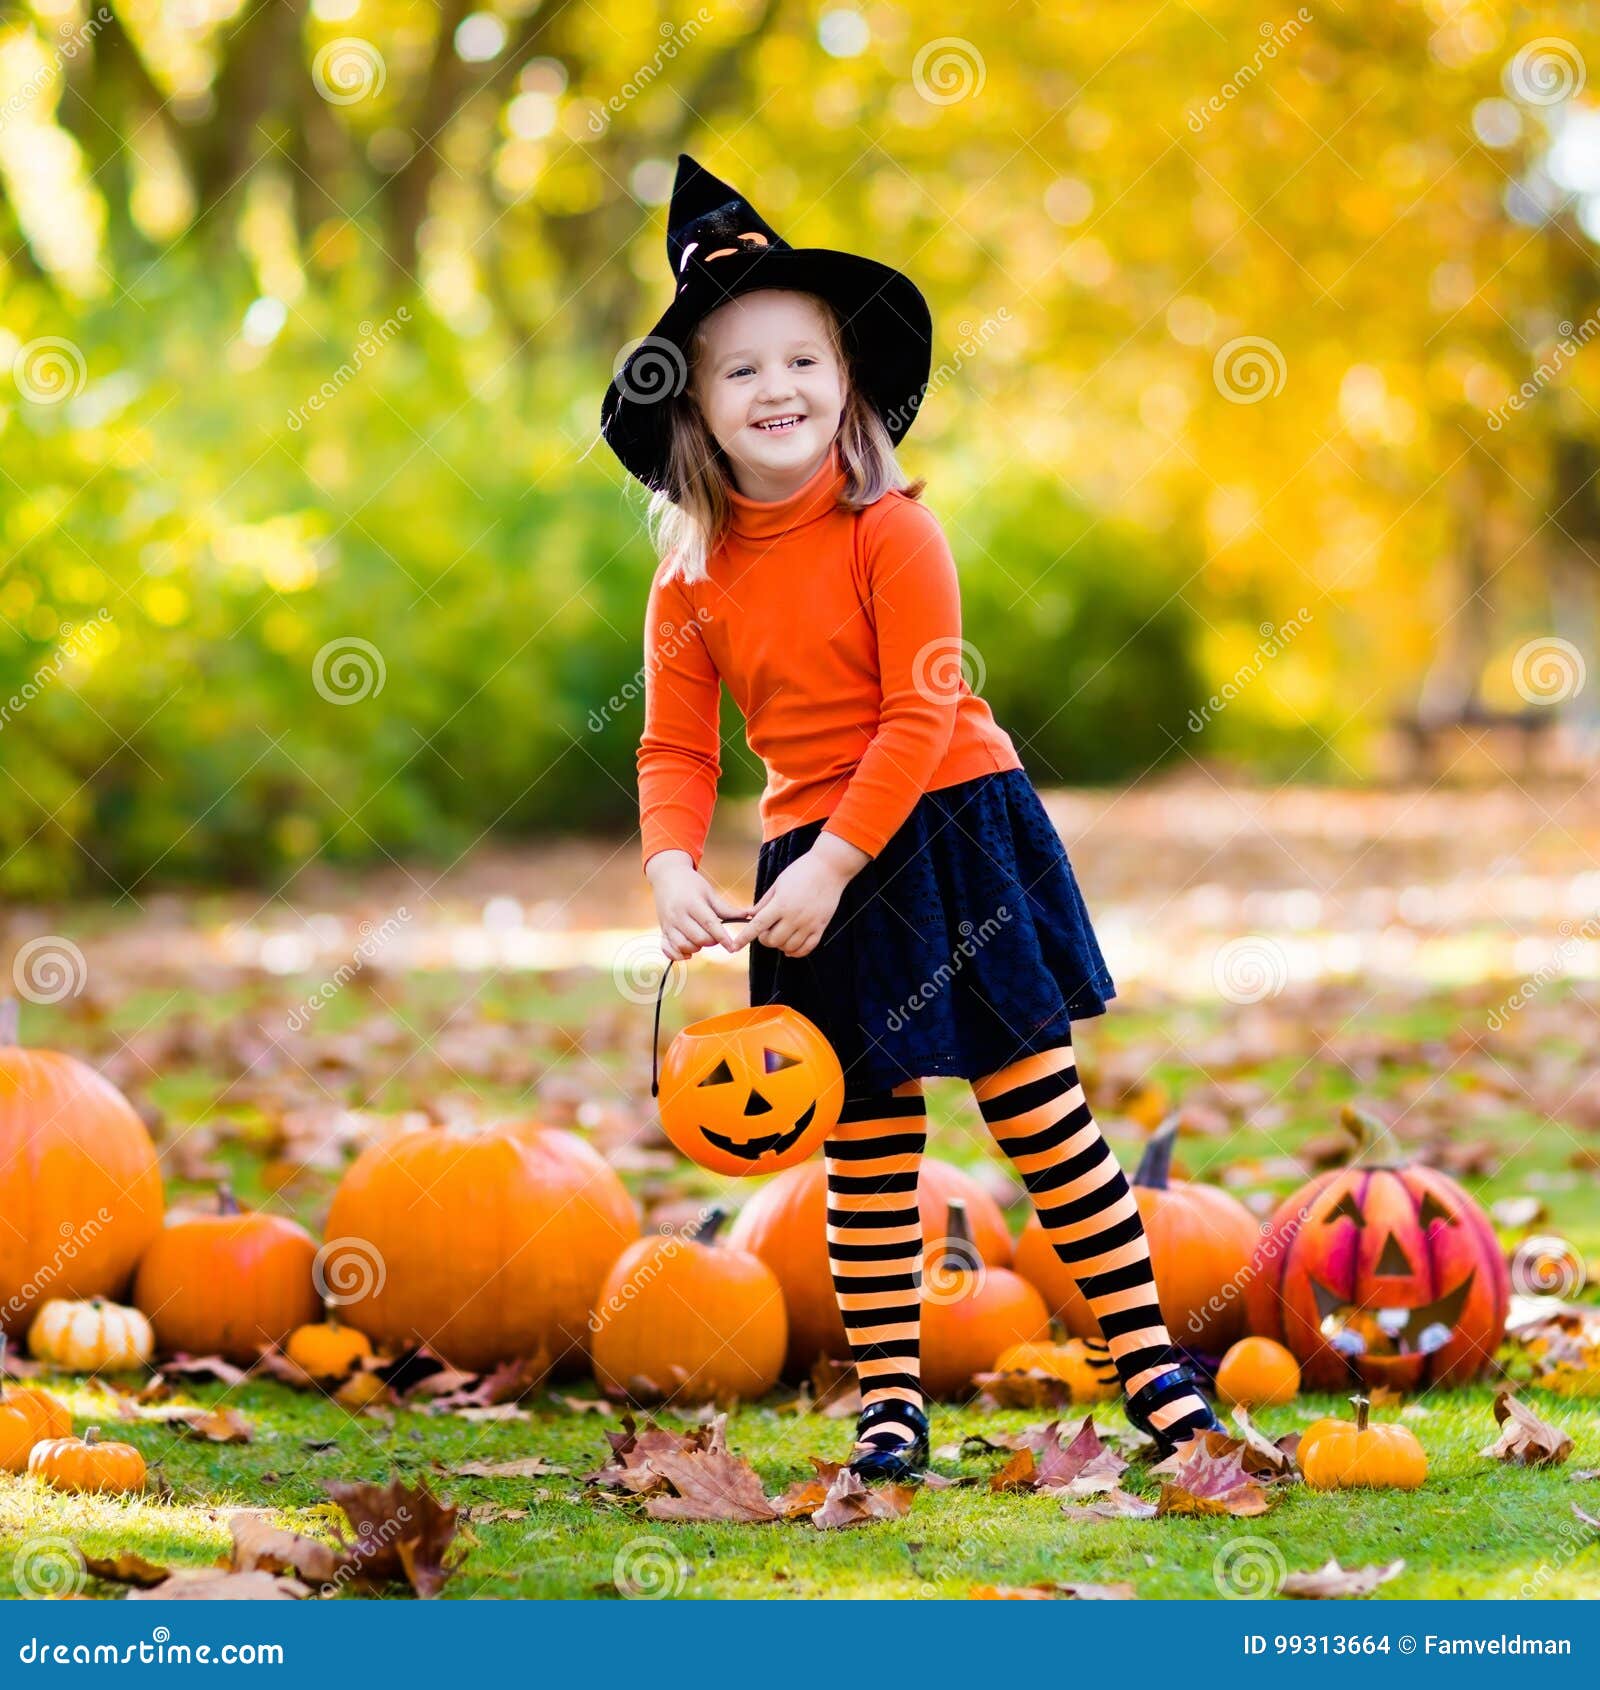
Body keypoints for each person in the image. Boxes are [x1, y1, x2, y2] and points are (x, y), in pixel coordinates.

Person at [601, 154, 1224, 1481]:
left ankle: (1157, 1374)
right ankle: (893, 1397)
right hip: (809, 864)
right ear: (697, 411)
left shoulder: (893, 532)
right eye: (739, 370)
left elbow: (920, 714)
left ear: (848, 383)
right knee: (865, 1141)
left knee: (1040, 1116)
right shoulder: (693, 583)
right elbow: (673, 745)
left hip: (944, 829)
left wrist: (838, 859)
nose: (775, 390)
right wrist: (668, 868)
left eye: (801, 362)